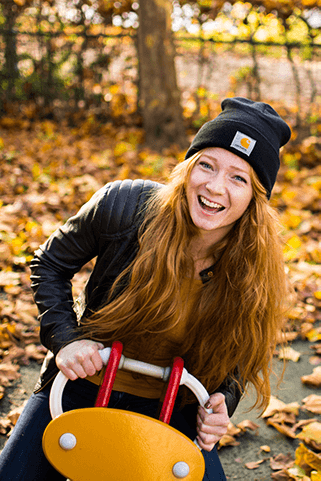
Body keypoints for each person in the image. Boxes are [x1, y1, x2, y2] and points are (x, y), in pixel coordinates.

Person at [0, 97, 291, 480]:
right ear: (188, 168)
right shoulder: (125, 205)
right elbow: (49, 263)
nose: (215, 186)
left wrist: (222, 401)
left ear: (256, 196)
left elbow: (241, 348)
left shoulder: (259, 265)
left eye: (239, 178)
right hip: (83, 384)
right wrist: (66, 339)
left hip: (173, 401)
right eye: (207, 165)